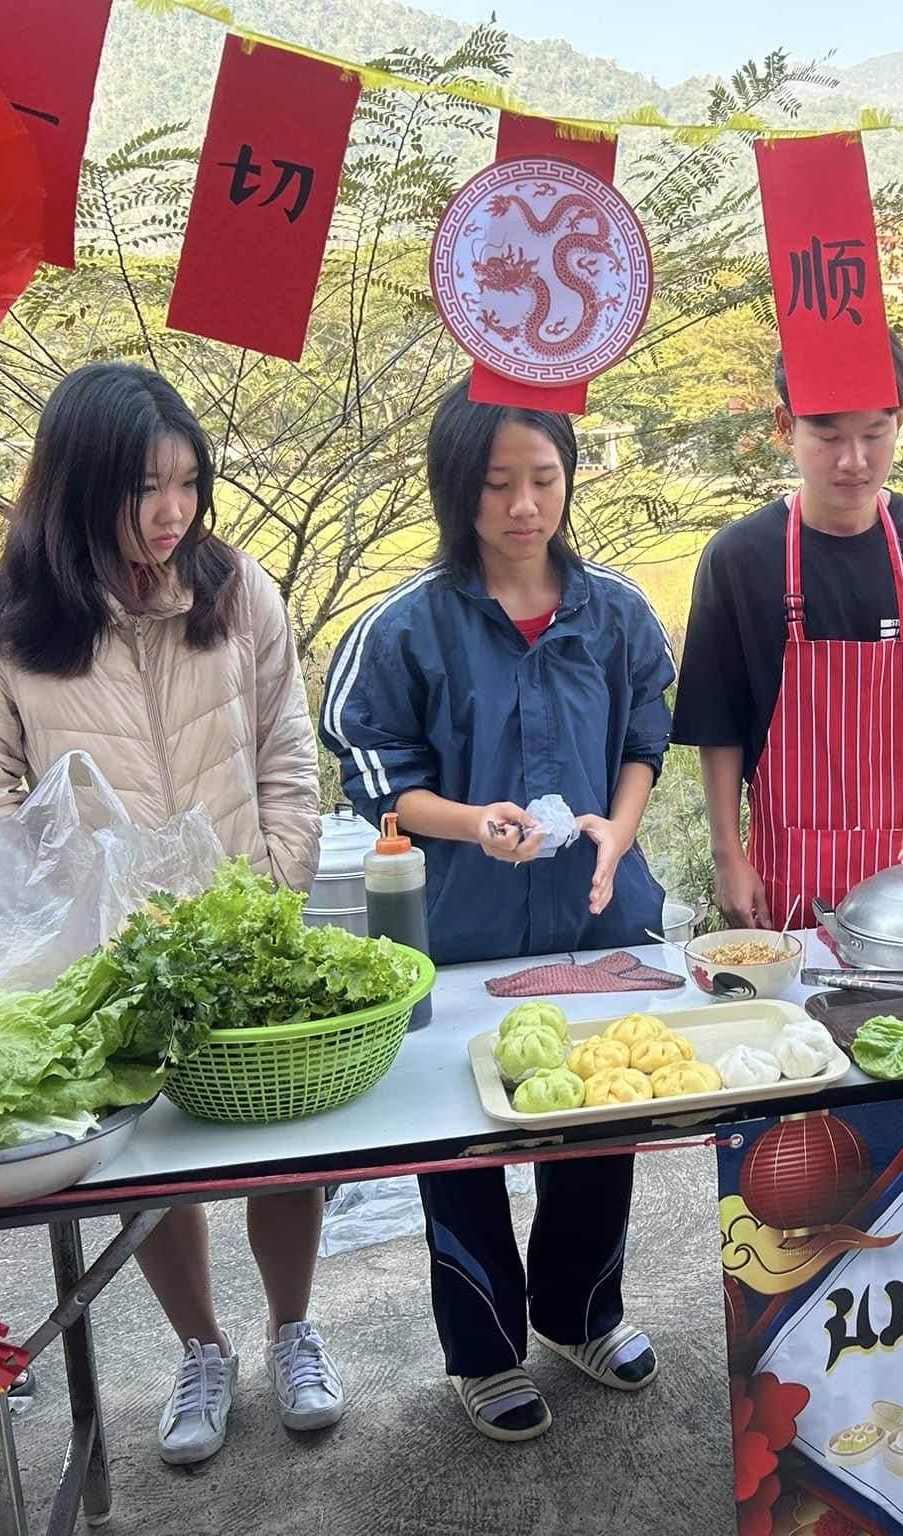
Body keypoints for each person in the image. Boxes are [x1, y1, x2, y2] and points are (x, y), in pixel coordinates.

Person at [0, 362, 331, 1467]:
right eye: (143, 486)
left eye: (188, 482)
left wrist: (278, 878)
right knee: (148, 1170)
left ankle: (293, 1328)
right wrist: (84, 924)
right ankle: (203, 1348)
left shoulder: (234, 588)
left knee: (286, 1143)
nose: (171, 512)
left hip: (246, 931)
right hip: (106, 958)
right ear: (75, 485)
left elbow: (288, 752)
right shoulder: (0, 619)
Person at [320, 389, 673, 1443]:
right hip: (457, 927)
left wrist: (615, 830)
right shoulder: (404, 626)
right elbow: (379, 775)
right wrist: (475, 823)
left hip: (592, 921)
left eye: (544, 480)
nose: (524, 507)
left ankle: (578, 1313)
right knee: (459, 1144)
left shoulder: (616, 611)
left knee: (596, 1121)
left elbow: (643, 738)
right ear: (455, 487)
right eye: (496, 484)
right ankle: (482, 1350)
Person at [674, 337, 903, 929]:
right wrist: (729, 856)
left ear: (900, 420)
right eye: (828, 437)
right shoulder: (740, 558)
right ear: (786, 425)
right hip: (790, 873)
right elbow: (717, 722)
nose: (854, 460)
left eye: (875, 434)